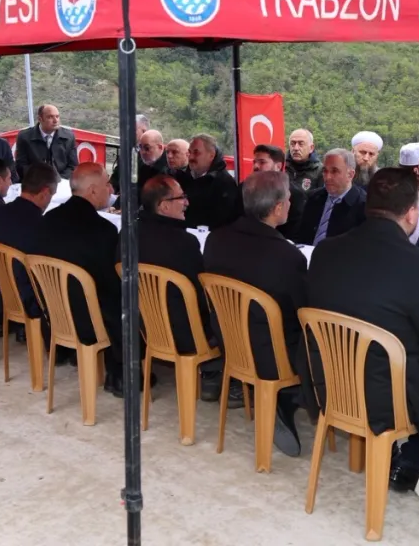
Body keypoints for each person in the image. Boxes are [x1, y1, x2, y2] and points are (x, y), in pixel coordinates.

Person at [305, 168, 419, 489]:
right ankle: (415, 456)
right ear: (412, 213)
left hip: (328, 379)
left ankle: (396, 450)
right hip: (385, 397)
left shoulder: (325, 251)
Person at [203, 170, 308, 455]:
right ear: (278, 208)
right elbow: (303, 312)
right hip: (271, 356)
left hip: (230, 344)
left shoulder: (215, 240)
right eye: (289, 199)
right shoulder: (287, 256)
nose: (290, 204)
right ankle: (286, 400)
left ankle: (275, 401)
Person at [33, 163, 123, 393]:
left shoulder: (47, 219)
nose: (111, 190)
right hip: (88, 322)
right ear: (92, 190)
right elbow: (112, 286)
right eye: (107, 184)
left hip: (54, 314)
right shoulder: (103, 230)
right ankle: (120, 373)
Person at [132, 175, 210, 352]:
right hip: (185, 334)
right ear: (164, 206)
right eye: (181, 197)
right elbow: (202, 294)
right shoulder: (184, 243)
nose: (186, 202)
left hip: (142, 328)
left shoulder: (128, 235)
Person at [0, 163, 60, 325]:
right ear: (45, 192)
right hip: (29, 303)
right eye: (52, 195)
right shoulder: (41, 227)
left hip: (1, 295)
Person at [294, 149, 365, 246]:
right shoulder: (314, 197)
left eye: (334, 171)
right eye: (325, 171)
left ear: (350, 175)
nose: (327, 177)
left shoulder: (363, 205)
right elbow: (300, 234)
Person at [175, 134, 242, 230]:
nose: (191, 157)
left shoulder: (224, 183)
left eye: (196, 152)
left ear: (211, 155)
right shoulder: (182, 177)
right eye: (189, 152)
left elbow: (225, 221)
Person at [251, 144, 306, 240]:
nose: (255, 166)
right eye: (254, 162)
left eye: (262, 162)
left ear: (278, 166)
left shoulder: (294, 194)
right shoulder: (247, 189)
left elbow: (294, 232)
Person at [15, 104, 78, 179]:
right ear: (40, 119)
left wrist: (59, 180)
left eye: (57, 116)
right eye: (50, 117)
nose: (55, 121)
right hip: (34, 182)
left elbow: (73, 166)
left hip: (62, 181)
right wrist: (40, 179)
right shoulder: (24, 137)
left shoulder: (69, 136)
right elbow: (21, 166)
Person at [112, 128, 166, 198]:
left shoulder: (168, 168)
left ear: (160, 147)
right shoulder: (139, 163)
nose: (142, 152)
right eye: (140, 147)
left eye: (147, 148)